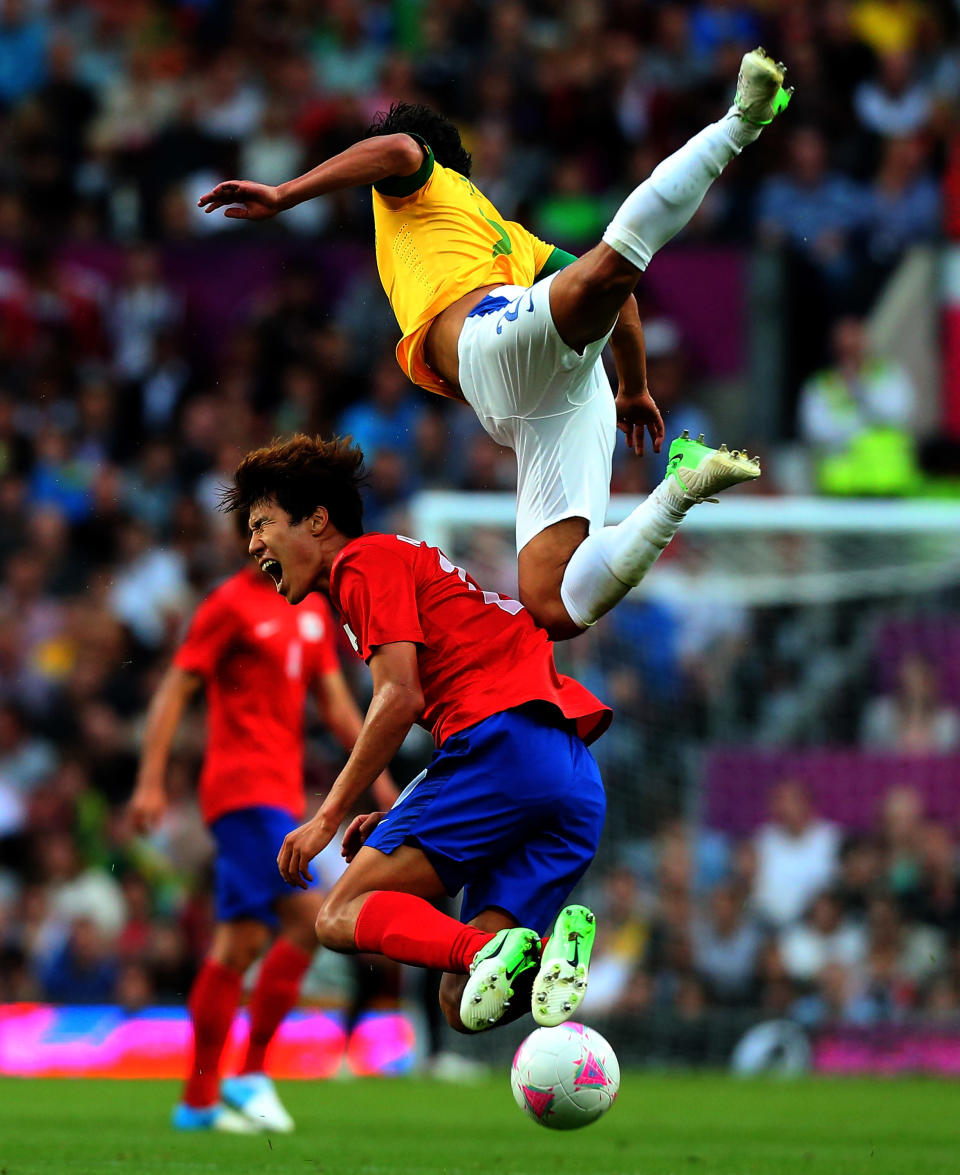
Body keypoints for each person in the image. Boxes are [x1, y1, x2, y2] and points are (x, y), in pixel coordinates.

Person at [198, 49, 791, 640]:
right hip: (543, 407)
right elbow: (624, 302)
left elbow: (398, 149)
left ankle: (740, 121)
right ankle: (679, 490)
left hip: (493, 346)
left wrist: (284, 193)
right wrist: (633, 388)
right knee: (553, 606)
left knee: (613, 264)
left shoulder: (416, 185)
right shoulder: (506, 234)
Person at [222, 433, 612, 1036]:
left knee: (337, 914)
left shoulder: (359, 563)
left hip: (500, 750)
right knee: (460, 1004)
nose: (252, 545)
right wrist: (403, 811)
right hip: (565, 771)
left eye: (262, 524)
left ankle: (503, 953)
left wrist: (327, 817)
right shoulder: (393, 563)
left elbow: (400, 696)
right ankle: (541, 957)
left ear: (318, 521)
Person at [127, 518, 395, 1134]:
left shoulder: (309, 611)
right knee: (311, 918)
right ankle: (249, 1075)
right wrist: (150, 779)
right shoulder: (227, 605)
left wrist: (384, 791)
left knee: (238, 946)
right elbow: (174, 689)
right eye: (251, 531)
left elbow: (336, 705)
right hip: (241, 793)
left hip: (279, 794)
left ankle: (196, 1104)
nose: (257, 543)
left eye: (268, 528)